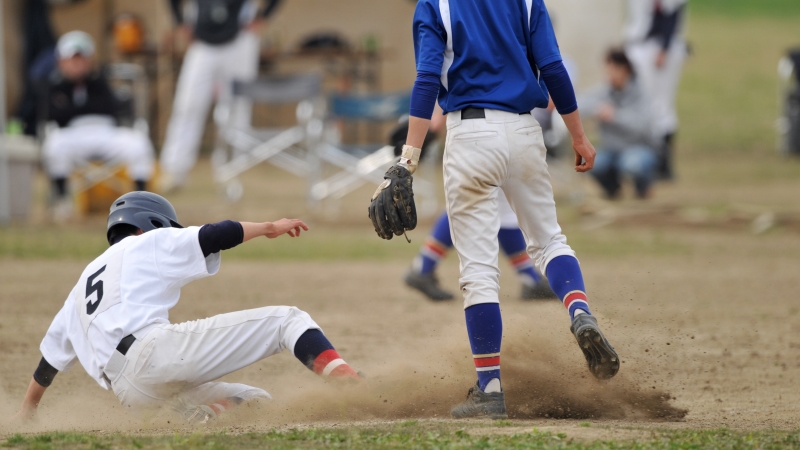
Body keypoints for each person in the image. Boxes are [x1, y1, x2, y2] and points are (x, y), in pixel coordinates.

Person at [370, 0, 620, 419]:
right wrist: (579, 136)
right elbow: (554, 68)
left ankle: (489, 388)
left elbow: (428, 78)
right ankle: (579, 311)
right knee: (549, 241)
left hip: (471, 134)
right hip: (525, 130)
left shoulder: (436, 5)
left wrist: (407, 158)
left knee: (480, 272)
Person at [16, 192, 360, 423]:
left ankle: (202, 415)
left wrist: (27, 413)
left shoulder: (80, 287)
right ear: (150, 224)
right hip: (152, 354)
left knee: (255, 400)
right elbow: (214, 234)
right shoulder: (147, 242)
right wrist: (270, 227)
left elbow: (49, 361)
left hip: (130, 393)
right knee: (288, 320)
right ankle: (354, 388)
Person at [395, 107, 556, 301]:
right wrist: (436, 118)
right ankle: (423, 267)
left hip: (489, 126)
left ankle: (529, 278)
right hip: (488, 127)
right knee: (471, 203)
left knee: (494, 205)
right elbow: (441, 78)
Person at [159, 0, 283, 193]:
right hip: (202, 40)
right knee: (188, 105)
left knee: (237, 108)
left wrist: (263, 17)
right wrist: (180, 22)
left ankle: (230, 172)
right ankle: (175, 170)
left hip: (240, 37)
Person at [41, 31, 155, 218]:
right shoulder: (53, 86)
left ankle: (141, 200)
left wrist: (76, 107)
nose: (78, 64)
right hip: (73, 135)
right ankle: (61, 198)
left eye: (82, 59)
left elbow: (111, 107)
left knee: (139, 143)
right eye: (73, 59)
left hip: (105, 132)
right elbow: (54, 115)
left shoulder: (100, 81)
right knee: (54, 144)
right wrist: (79, 108)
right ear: (62, 61)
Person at [580, 48, 658, 199]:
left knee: (632, 164)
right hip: (611, 150)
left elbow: (644, 126)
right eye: (607, 70)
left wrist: (614, 116)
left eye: (615, 70)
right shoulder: (604, 92)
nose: (610, 75)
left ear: (626, 70)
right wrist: (595, 109)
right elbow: (579, 103)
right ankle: (613, 190)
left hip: (639, 148)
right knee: (589, 162)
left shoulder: (642, 94)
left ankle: (643, 187)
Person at [625, 0, 688, 179]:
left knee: (660, 105)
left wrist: (664, 48)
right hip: (637, 43)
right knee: (642, 104)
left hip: (660, 47)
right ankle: (647, 160)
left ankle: (663, 163)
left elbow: (671, 12)